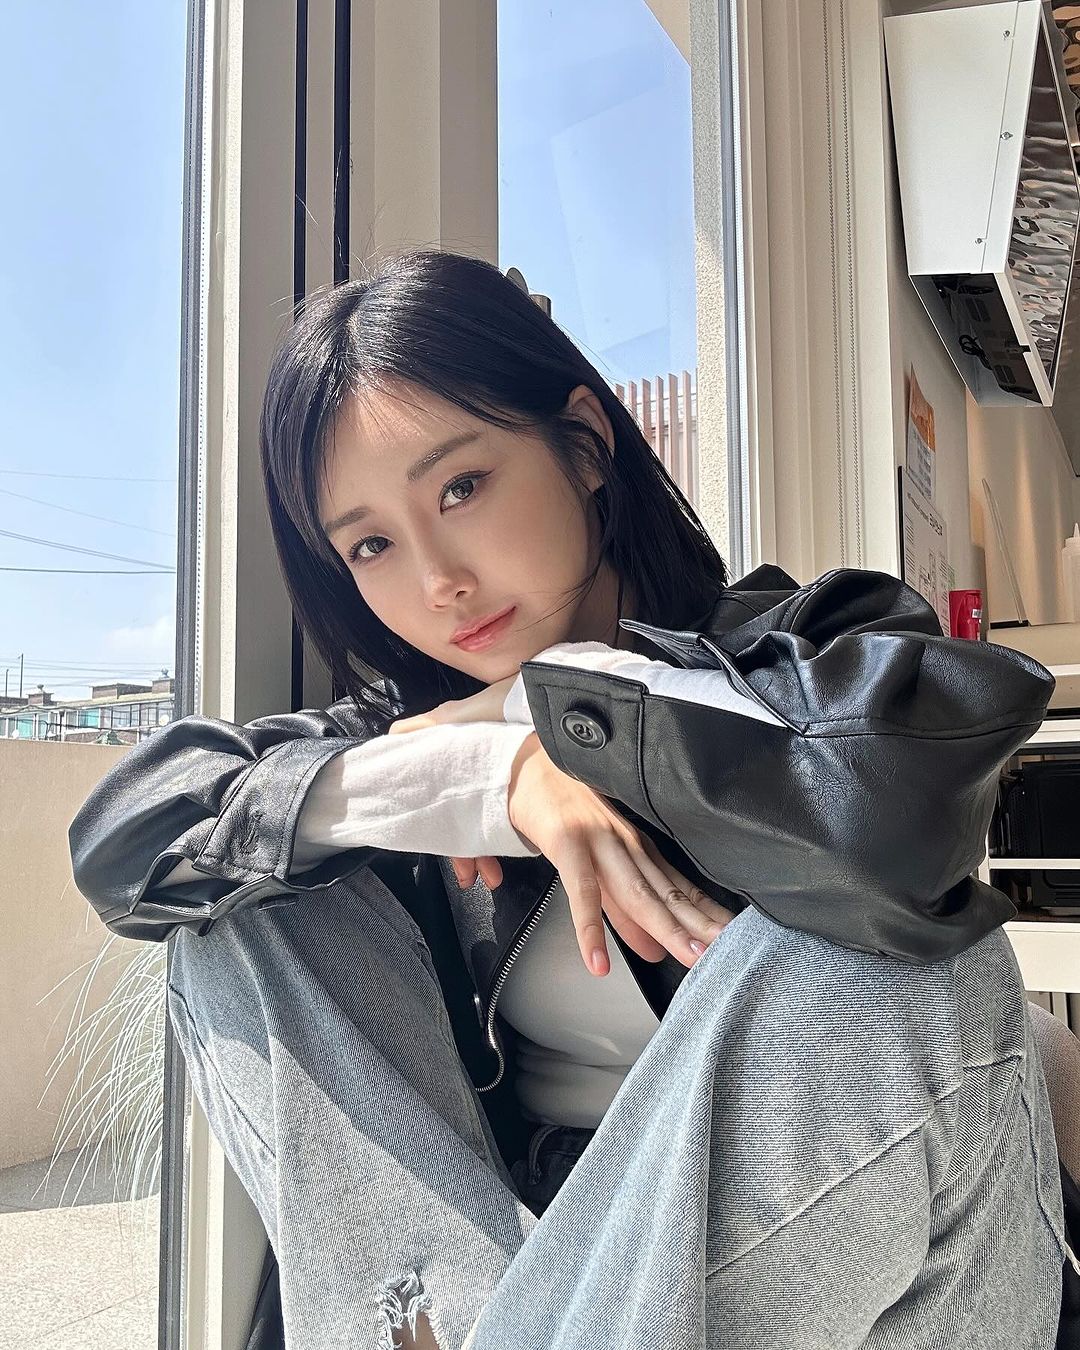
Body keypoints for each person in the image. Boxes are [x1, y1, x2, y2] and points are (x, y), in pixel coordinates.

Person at [68, 249, 1068, 1350]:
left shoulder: (799, 648)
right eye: (371, 544)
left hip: (861, 1281)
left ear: (585, 444)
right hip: (530, 1275)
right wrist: (486, 778)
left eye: (461, 487)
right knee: (243, 908)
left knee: (904, 964)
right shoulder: (413, 741)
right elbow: (127, 838)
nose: (437, 579)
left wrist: (545, 713)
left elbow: (888, 817)